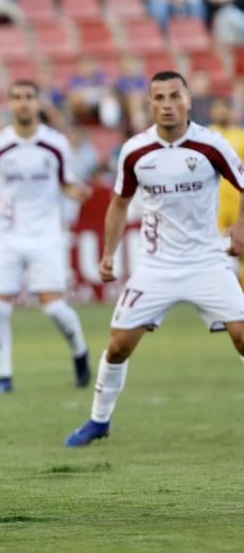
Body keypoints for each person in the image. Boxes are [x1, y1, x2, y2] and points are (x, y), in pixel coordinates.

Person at [65, 71, 244, 446]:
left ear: (189, 101)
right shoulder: (135, 151)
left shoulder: (211, 146)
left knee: (243, 337)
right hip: (156, 267)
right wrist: (108, 253)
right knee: (119, 345)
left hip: (207, 262)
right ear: (149, 104)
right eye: (158, 98)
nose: (166, 105)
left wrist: (241, 226)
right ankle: (99, 421)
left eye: (174, 97)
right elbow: (118, 203)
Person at [0, 80, 92, 394]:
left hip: (45, 234)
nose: (23, 103)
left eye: (29, 97)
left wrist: (77, 192)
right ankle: (3, 376)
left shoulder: (56, 144)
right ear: (10, 104)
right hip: (7, 234)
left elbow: (66, 181)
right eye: (17, 97)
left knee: (54, 307)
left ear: (39, 104)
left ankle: (79, 350)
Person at [208, 96, 244, 286]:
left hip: (240, 205)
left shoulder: (241, 136)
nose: (221, 112)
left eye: (224, 108)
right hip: (217, 207)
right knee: (220, 258)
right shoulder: (207, 136)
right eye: (217, 108)